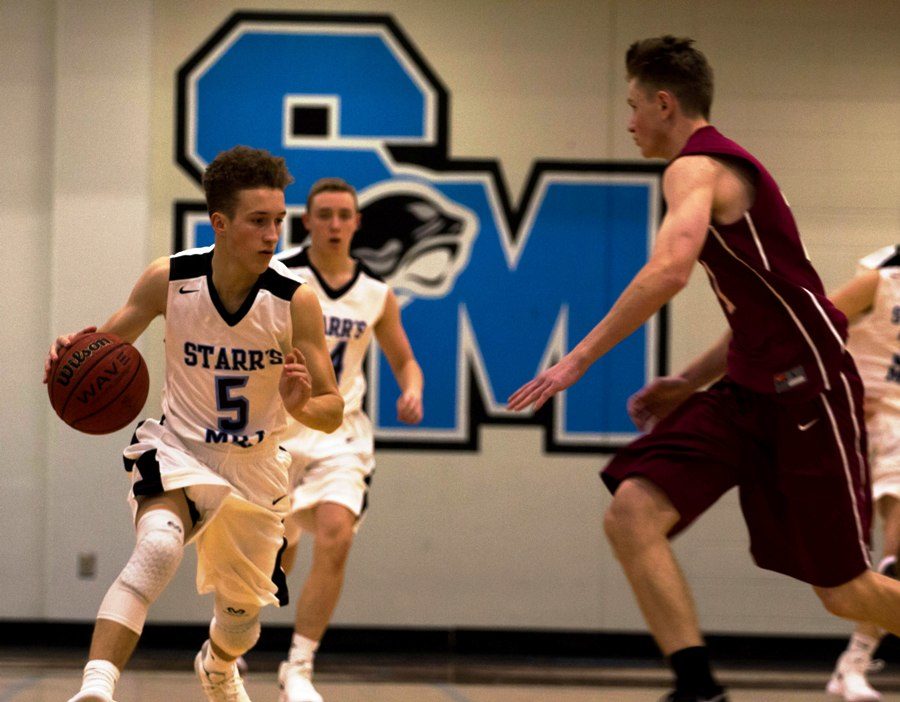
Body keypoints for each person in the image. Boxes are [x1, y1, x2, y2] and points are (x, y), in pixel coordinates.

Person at [508, 36, 900, 702]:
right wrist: (689, 380)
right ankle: (698, 689)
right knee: (632, 512)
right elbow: (766, 311)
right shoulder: (712, 173)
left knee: (845, 592)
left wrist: (575, 360)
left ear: (665, 103)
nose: (629, 122)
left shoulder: (696, 167)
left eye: (633, 107)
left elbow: (669, 269)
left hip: (809, 393)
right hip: (747, 390)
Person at [44, 145, 344, 702]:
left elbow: (332, 409)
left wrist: (301, 406)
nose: (271, 234)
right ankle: (94, 688)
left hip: (257, 470)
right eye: (258, 221)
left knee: (240, 621)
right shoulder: (169, 279)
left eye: (277, 221)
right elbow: (103, 350)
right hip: (180, 449)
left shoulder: (294, 301)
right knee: (158, 548)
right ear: (220, 222)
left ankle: (217, 662)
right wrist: (71, 354)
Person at [273, 177, 424, 702]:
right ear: (307, 222)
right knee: (275, 554)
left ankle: (300, 666)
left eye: (344, 214)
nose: (335, 224)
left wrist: (412, 389)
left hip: (340, 433)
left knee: (337, 533)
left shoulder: (377, 294)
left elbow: (403, 358)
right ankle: (231, 644)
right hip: (278, 432)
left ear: (357, 223)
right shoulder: (280, 277)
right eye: (325, 214)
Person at [826, 244, 900, 702]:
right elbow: (808, 331)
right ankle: (852, 663)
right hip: (870, 424)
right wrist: (839, 384)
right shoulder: (880, 281)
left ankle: (852, 663)